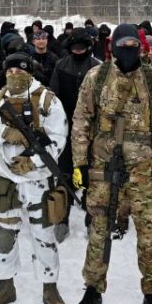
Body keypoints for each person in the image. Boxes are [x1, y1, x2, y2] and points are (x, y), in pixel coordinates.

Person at [70, 23, 152, 304]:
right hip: (104, 168)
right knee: (99, 232)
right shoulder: (97, 77)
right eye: (123, 43)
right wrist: (80, 163)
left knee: (147, 235)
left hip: (144, 170)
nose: (128, 48)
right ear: (113, 46)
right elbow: (81, 122)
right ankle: (93, 288)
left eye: (133, 44)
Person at [0, 52, 69, 304]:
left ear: (31, 73)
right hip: (4, 179)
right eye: (10, 71)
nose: (14, 75)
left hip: (37, 181)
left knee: (43, 236)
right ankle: (6, 286)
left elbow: (59, 138)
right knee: (4, 235)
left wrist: (34, 162)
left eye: (20, 71)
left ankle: (50, 287)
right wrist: (6, 132)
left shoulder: (48, 99)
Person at [48, 27, 101, 239]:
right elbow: (54, 97)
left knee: (93, 176)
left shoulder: (98, 68)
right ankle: (62, 218)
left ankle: (92, 219)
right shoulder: (61, 66)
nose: (78, 52)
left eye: (82, 49)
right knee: (64, 176)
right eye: (74, 49)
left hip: (93, 132)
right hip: (67, 128)